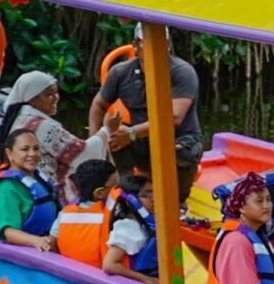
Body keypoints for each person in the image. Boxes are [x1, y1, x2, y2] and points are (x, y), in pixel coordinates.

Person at [87, 24, 204, 198]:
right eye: (148, 42)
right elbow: (98, 106)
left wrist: (132, 133)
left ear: (168, 45)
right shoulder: (120, 72)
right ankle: (128, 192)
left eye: (162, 42)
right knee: (114, 136)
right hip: (141, 140)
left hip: (178, 137)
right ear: (135, 45)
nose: (156, 47)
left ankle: (179, 198)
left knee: (183, 151)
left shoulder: (182, 72)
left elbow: (173, 118)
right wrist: (95, 143)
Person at [0, 70, 116, 204]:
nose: (55, 98)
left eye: (55, 93)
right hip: (54, 196)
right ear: (32, 99)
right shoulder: (39, 125)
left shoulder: (18, 119)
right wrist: (107, 129)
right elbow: (82, 154)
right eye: (48, 95)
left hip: (31, 189)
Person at [0, 128, 59, 251]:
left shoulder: (38, 177)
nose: (32, 154)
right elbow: (6, 231)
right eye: (25, 149)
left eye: (36, 148)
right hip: (33, 250)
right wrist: (36, 241)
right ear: (9, 154)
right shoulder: (5, 188)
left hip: (51, 243)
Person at [55, 161, 121, 268]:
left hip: (72, 275)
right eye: (116, 185)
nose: (120, 188)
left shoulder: (63, 215)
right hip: (104, 279)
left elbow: (53, 245)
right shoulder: (114, 217)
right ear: (99, 193)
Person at [102, 173, 162, 284]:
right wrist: (146, 279)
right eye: (147, 195)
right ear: (130, 201)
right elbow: (109, 265)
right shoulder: (128, 228)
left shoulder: (145, 224)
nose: (154, 199)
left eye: (154, 194)